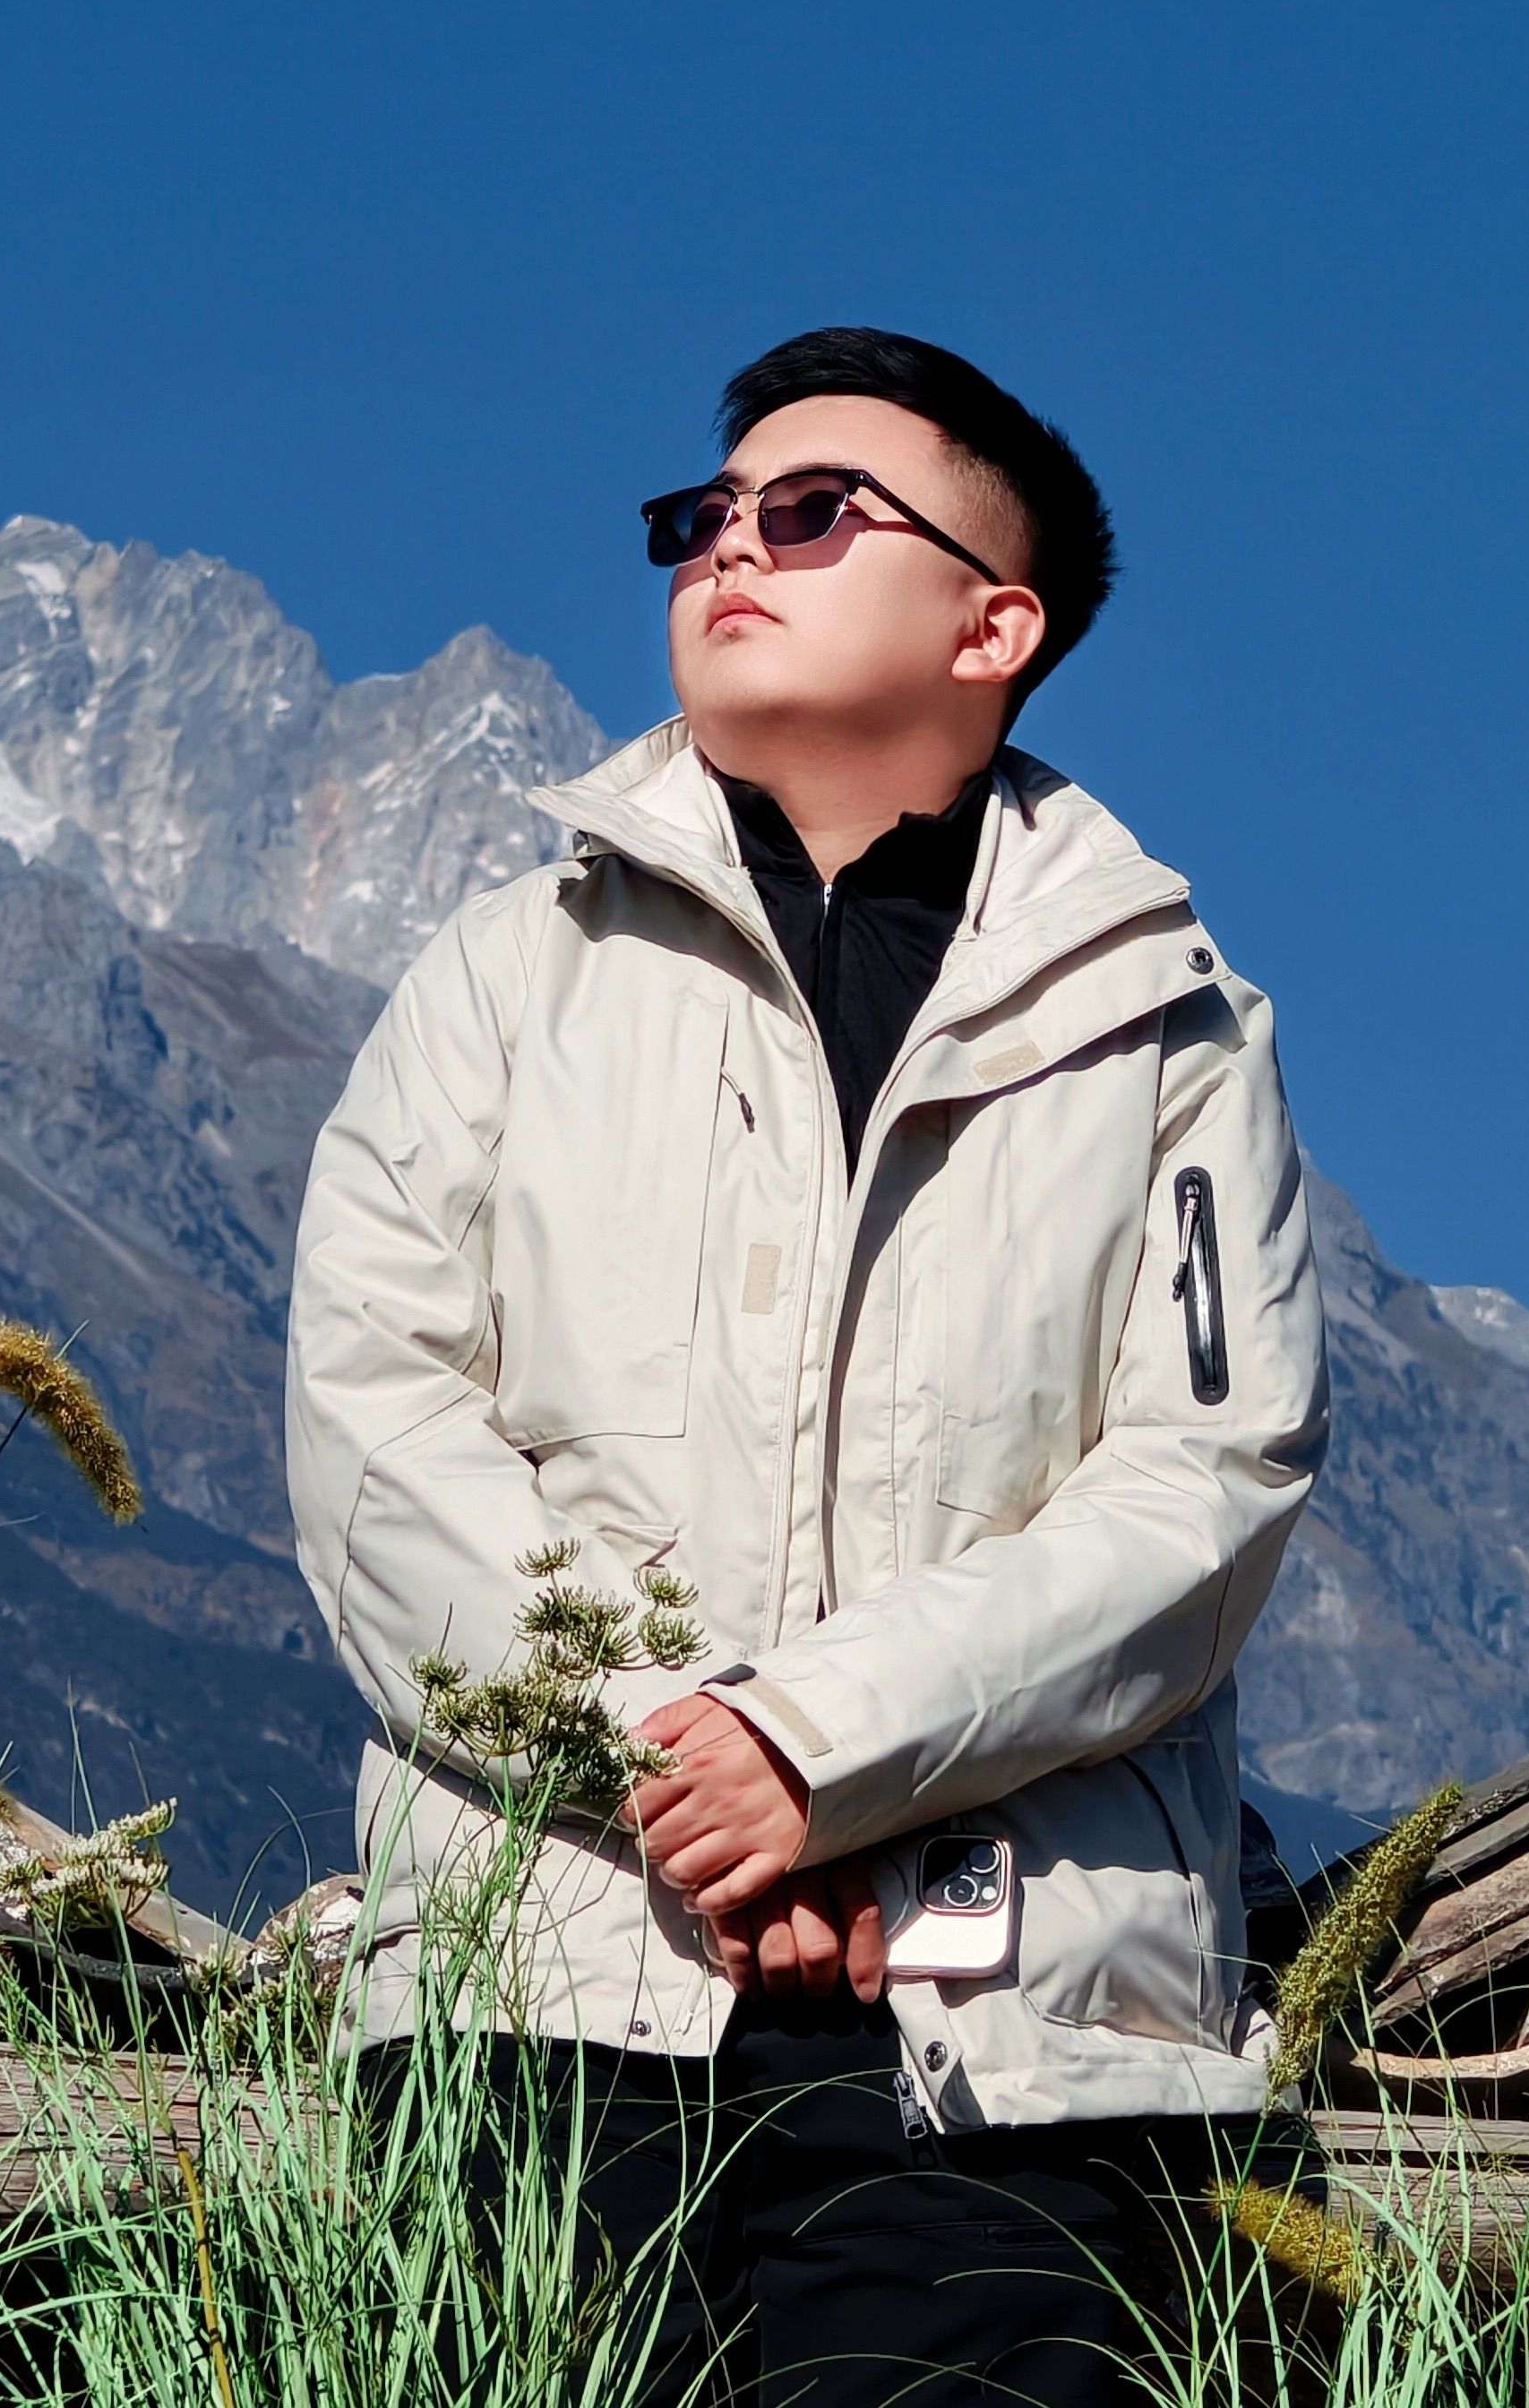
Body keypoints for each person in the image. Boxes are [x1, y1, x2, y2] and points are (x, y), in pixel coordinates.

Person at [285, 328, 1328, 2404]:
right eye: (703, 515)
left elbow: (1202, 1493)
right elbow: (373, 1434)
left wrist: (822, 1753)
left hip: (1010, 2046)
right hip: (541, 1996)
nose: (727, 547)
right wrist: (694, 1778)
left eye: (810, 509)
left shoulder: (1175, 1031)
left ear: (992, 625)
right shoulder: (506, 977)